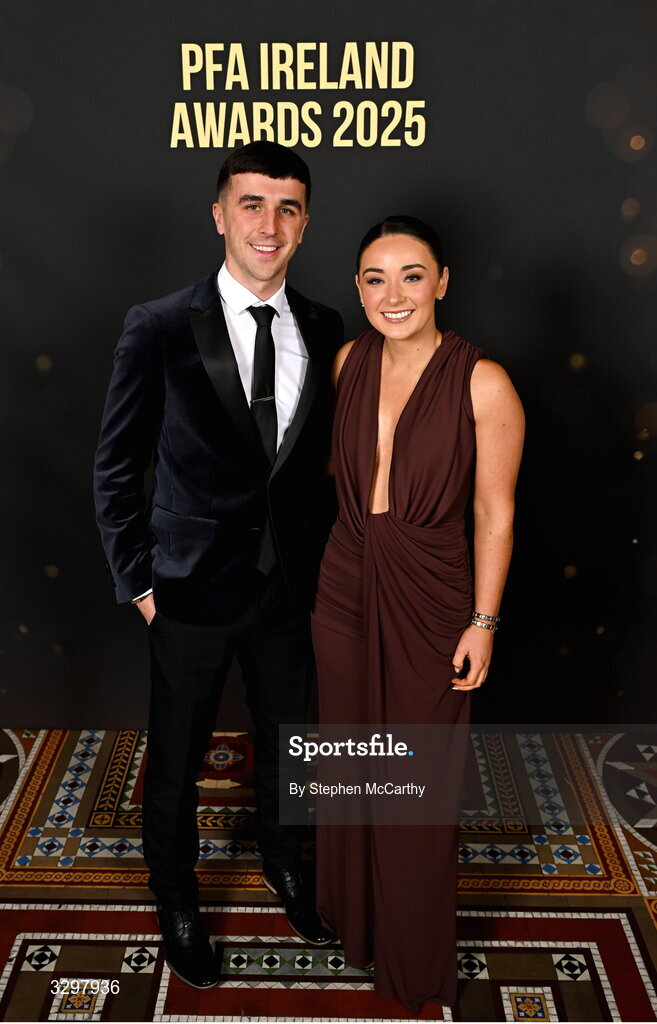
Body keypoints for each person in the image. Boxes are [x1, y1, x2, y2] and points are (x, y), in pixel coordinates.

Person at [94, 141, 342, 989]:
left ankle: (289, 866)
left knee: (290, 747)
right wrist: (140, 583)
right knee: (176, 762)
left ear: (304, 224)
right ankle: (179, 901)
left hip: (289, 592)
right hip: (189, 589)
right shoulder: (159, 324)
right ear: (218, 213)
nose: (267, 225)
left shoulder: (326, 326)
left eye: (286, 208)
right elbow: (117, 465)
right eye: (251, 204)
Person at [311, 215, 524, 1011]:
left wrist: (483, 620)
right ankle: (353, 922)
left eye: (410, 275)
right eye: (374, 277)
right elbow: (337, 474)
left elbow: (494, 514)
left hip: (432, 595)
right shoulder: (345, 362)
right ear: (358, 288)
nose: (391, 293)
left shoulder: (483, 381)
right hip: (342, 582)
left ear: (442, 281)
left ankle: (410, 960)